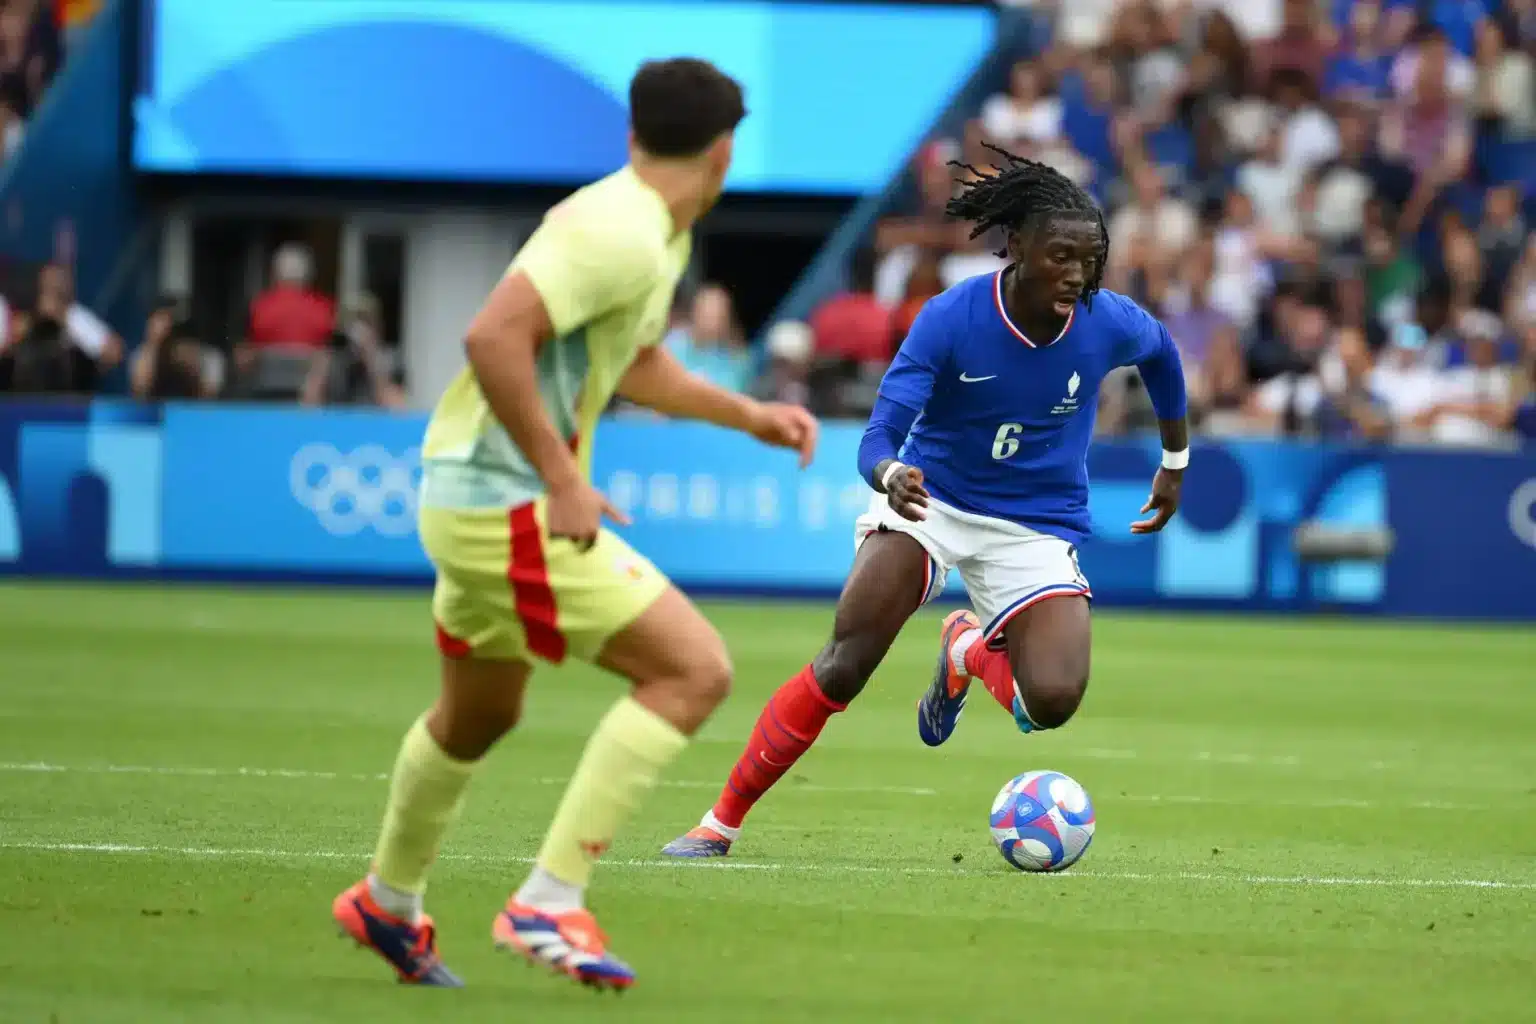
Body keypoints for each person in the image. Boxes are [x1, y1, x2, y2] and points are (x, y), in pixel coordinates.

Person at [331, 57, 818, 992]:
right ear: (723, 152)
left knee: (481, 712)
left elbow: (632, 366)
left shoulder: (651, 231)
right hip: (500, 498)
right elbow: (491, 337)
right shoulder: (621, 232)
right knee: (693, 670)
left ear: (636, 135)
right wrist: (561, 477)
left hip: (472, 490)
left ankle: (386, 905)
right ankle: (548, 902)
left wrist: (747, 416)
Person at [661, 144, 1189, 859]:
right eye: (1060, 256)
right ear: (1016, 247)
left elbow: (1161, 354)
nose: (1077, 274)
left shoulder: (1107, 318)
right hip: (930, 503)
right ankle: (717, 823)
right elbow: (879, 434)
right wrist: (887, 476)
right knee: (846, 660)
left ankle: (967, 648)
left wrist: (1174, 460)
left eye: (1090, 259)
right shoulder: (951, 318)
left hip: (1034, 525)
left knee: (1053, 703)